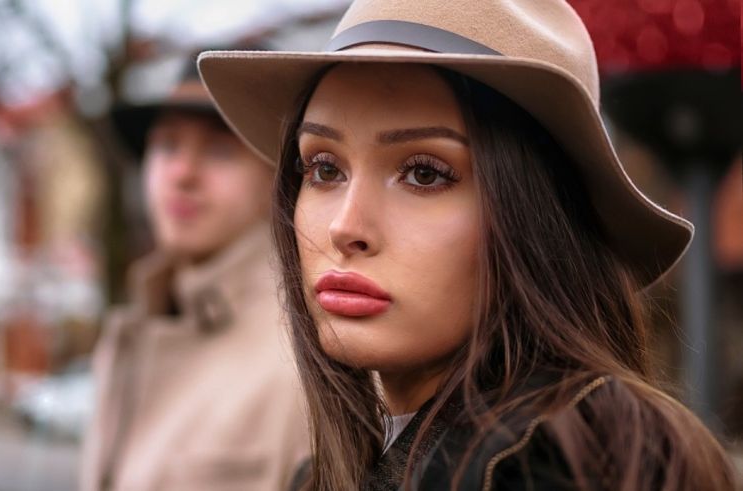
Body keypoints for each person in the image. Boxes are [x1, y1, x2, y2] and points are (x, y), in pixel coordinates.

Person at [196, 1, 738, 490]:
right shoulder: (338, 471)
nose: (344, 226)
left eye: (424, 174)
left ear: (534, 218)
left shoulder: (562, 459)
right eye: (323, 168)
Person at [80, 51, 309, 491]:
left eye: (221, 150)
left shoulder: (304, 359)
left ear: (275, 175)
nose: (183, 173)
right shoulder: (130, 333)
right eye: (167, 146)